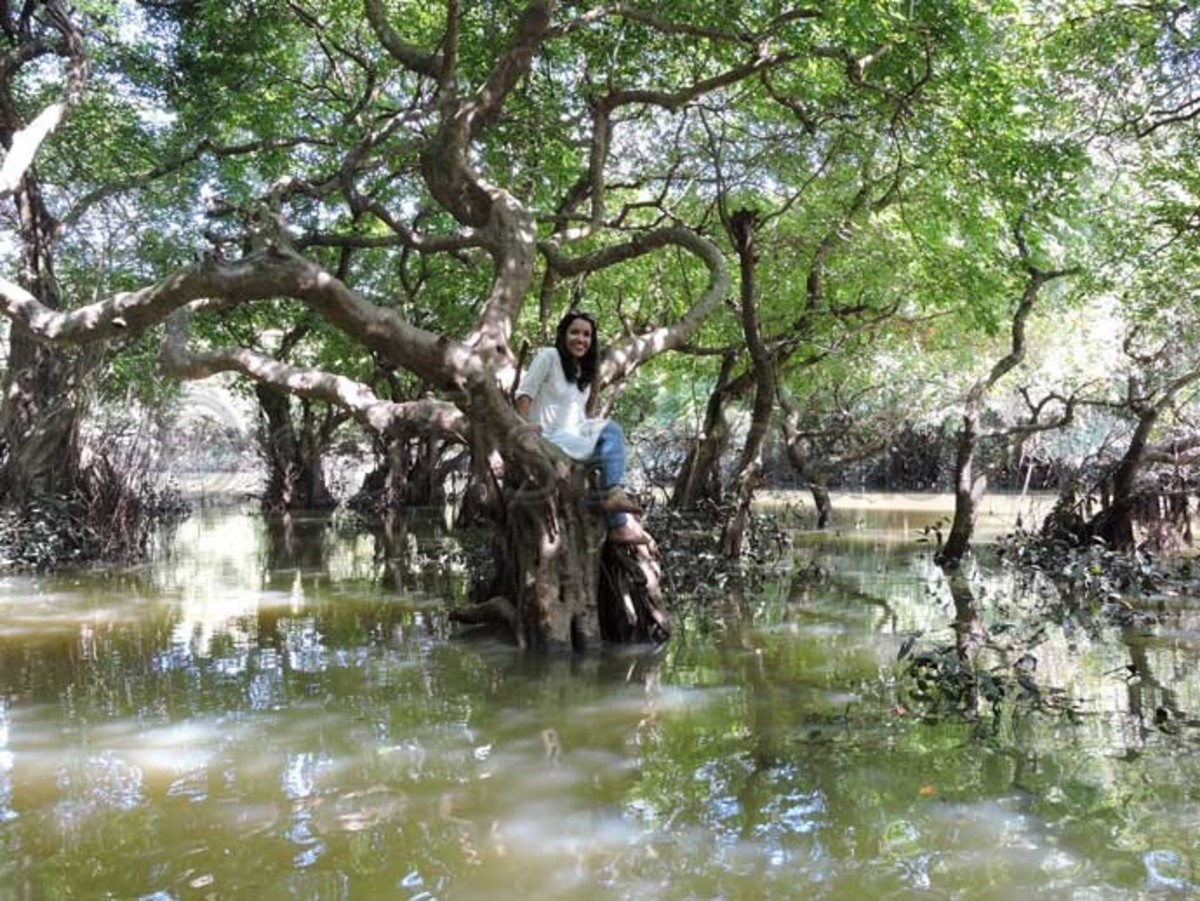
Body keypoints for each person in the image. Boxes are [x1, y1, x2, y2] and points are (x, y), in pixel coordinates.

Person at [514, 311, 650, 544]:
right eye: (575, 332)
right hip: (549, 437)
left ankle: (616, 520)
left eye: (587, 335)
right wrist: (526, 433)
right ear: (563, 334)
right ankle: (619, 521)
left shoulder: (583, 370)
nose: (581, 339)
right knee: (612, 432)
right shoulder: (549, 356)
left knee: (613, 451)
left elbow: (580, 412)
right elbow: (524, 394)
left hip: (573, 437)